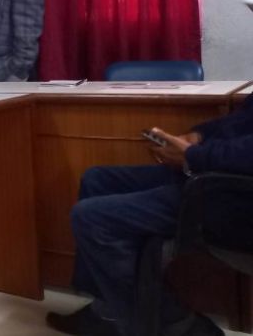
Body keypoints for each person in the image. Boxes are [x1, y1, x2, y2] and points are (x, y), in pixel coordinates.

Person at [47, 95, 253, 336]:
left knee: (90, 218)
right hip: (216, 175)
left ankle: (178, 325)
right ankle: (107, 312)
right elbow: (243, 121)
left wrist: (195, 155)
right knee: (97, 180)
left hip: (235, 195)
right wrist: (199, 136)